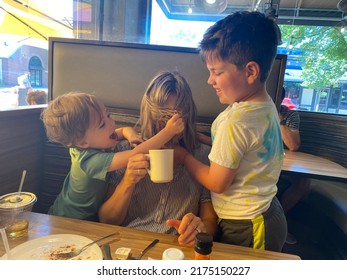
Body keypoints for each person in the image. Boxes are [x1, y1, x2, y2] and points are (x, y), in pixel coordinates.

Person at [175, 11, 287, 252]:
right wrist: (202, 138)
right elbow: (243, 149)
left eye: (217, 72)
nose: (209, 80)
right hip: (264, 212)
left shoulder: (236, 121)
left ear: (250, 71)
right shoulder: (265, 105)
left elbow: (217, 183)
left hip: (246, 224)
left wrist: (185, 157)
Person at [98, 71, 218, 247]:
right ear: (149, 114)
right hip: (127, 245)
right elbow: (106, 220)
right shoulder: (127, 151)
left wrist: (199, 229)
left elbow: (210, 220)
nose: (166, 126)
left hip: (175, 248)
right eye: (160, 118)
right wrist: (128, 182)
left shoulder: (202, 157)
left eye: (173, 118)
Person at [41, 91, 184, 221]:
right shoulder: (90, 161)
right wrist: (168, 132)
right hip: (70, 219)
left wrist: (132, 136)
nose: (112, 123)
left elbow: (124, 130)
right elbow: (136, 153)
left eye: (108, 115)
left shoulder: (92, 141)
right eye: (103, 124)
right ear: (82, 142)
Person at [277, 87, 310, 244]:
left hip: (285, 164)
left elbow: (293, 145)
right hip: (262, 163)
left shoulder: (290, 115)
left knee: (304, 182)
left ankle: (279, 224)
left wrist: (279, 119)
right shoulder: (253, 112)